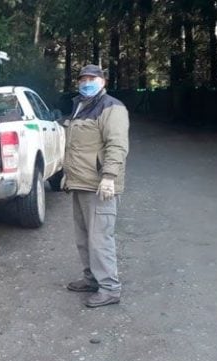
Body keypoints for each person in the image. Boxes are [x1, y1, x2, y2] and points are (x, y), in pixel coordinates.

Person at [62, 64, 129, 308]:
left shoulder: (111, 107)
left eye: (92, 78)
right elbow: (75, 146)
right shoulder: (80, 105)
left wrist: (109, 176)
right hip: (80, 182)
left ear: (103, 82)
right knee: (83, 237)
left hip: (100, 184)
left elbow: (117, 145)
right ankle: (91, 278)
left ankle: (110, 288)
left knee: (100, 239)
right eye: (83, 79)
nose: (87, 82)